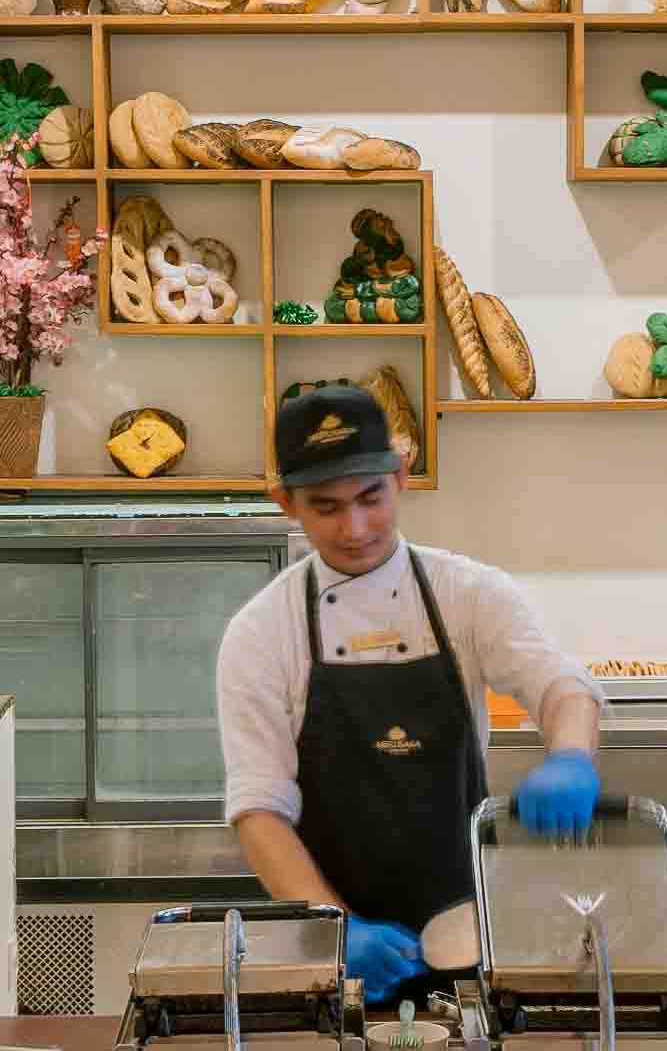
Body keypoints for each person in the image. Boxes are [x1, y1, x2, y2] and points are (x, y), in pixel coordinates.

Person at [215, 378, 603, 997]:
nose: (355, 527)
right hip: (331, 947)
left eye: (371, 496)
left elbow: (560, 684)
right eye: (326, 507)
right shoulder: (261, 633)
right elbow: (259, 811)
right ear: (286, 503)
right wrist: (337, 929)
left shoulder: (467, 593)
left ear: (400, 476)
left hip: (470, 932)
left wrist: (571, 756)